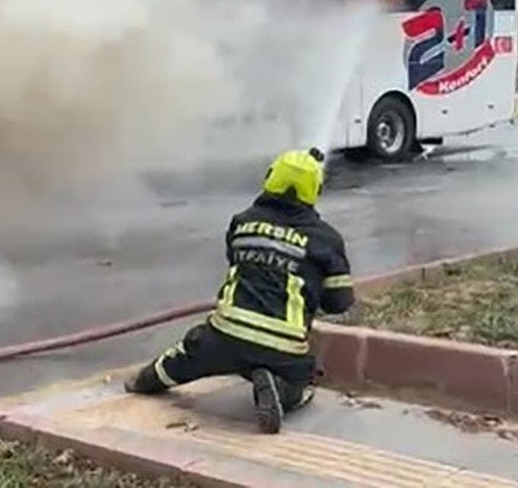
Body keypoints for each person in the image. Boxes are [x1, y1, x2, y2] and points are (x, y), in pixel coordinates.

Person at [123, 147, 355, 434]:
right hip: (282, 345)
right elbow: (339, 302)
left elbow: (237, 263)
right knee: (302, 380)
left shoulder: (242, 222)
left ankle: (145, 381)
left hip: (224, 335)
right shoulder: (326, 239)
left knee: (187, 355)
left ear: (270, 178)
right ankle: (278, 390)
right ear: (315, 189)